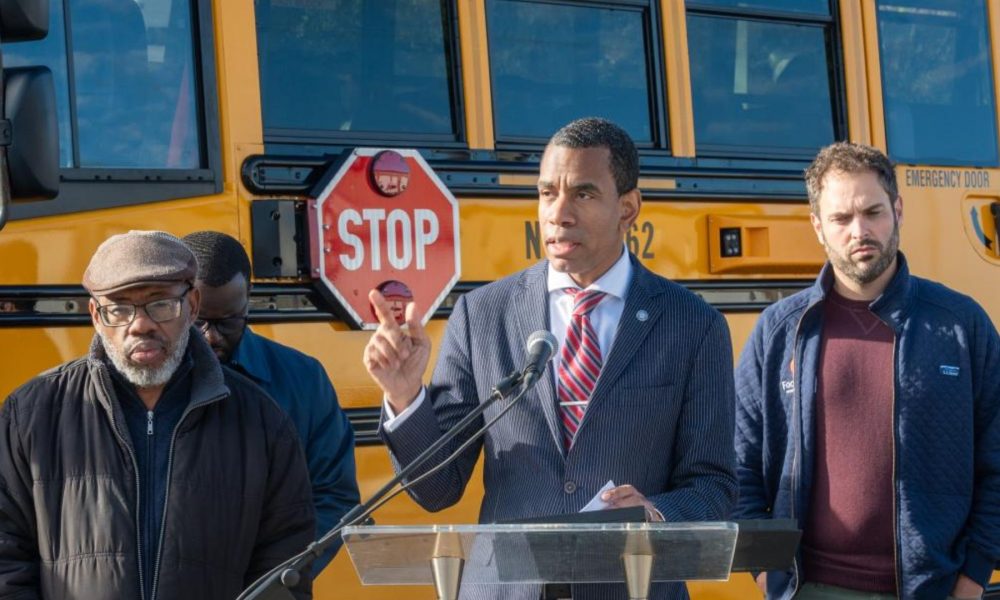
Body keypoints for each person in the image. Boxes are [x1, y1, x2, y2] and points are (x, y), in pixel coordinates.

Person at [364, 117, 737, 600]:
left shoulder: (692, 324)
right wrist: (404, 396)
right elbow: (438, 490)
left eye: (583, 194)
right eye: (546, 193)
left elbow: (713, 486)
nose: (558, 213)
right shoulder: (482, 314)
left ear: (628, 208)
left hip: (629, 587)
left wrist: (656, 514)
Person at [734, 142, 1000, 600]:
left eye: (873, 212)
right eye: (841, 218)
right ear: (818, 227)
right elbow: (738, 461)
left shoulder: (959, 323)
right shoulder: (780, 331)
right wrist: (765, 570)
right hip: (810, 588)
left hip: (931, 588)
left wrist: (974, 575)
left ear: (898, 210)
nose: (859, 231)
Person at [0, 230, 315, 599]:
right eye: (119, 308)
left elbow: (284, 570)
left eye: (160, 304)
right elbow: (7, 562)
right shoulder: (31, 416)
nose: (140, 324)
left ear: (192, 305)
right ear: (96, 316)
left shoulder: (261, 422)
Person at [183, 230, 360, 573]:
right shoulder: (147, 382)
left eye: (227, 321)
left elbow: (335, 497)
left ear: (248, 298)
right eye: (198, 321)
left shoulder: (304, 379)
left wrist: (276, 579)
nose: (211, 337)